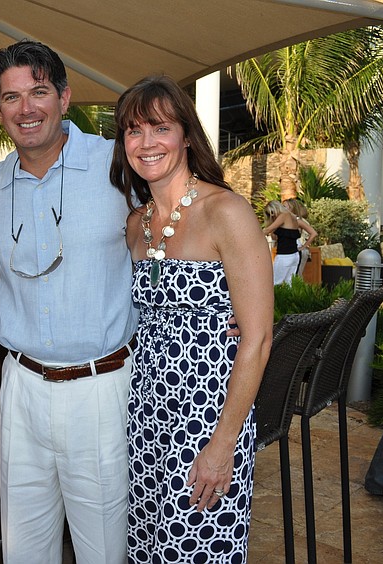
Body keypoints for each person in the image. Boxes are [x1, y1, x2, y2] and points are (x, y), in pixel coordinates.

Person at [0, 40, 138, 563]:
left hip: (100, 388)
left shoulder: (119, 166)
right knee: (23, 548)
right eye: (11, 97)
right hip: (21, 387)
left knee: (104, 549)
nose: (26, 108)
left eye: (39, 92)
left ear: (65, 98)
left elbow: (180, 229)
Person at [110, 74, 273, 562]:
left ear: (186, 135)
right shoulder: (135, 224)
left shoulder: (227, 211)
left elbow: (258, 338)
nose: (147, 143)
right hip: (146, 416)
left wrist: (224, 444)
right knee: (147, 549)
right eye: (134, 131)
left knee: (198, 549)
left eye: (160, 128)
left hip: (208, 417)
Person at [263, 200, 306, 285]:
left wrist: (252, 236)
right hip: (294, 255)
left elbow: (268, 230)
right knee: (289, 283)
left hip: (284, 255)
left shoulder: (284, 215)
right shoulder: (293, 217)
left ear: (275, 208)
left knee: (275, 283)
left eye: (271, 212)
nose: (272, 215)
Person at [283, 197, 318, 276]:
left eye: (285, 207)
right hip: (289, 250)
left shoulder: (298, 220)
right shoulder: (285, 220)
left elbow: (313, 233)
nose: (282, 209)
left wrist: (304, 246)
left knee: (296, 274)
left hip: (298, 249)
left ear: (292, 208)